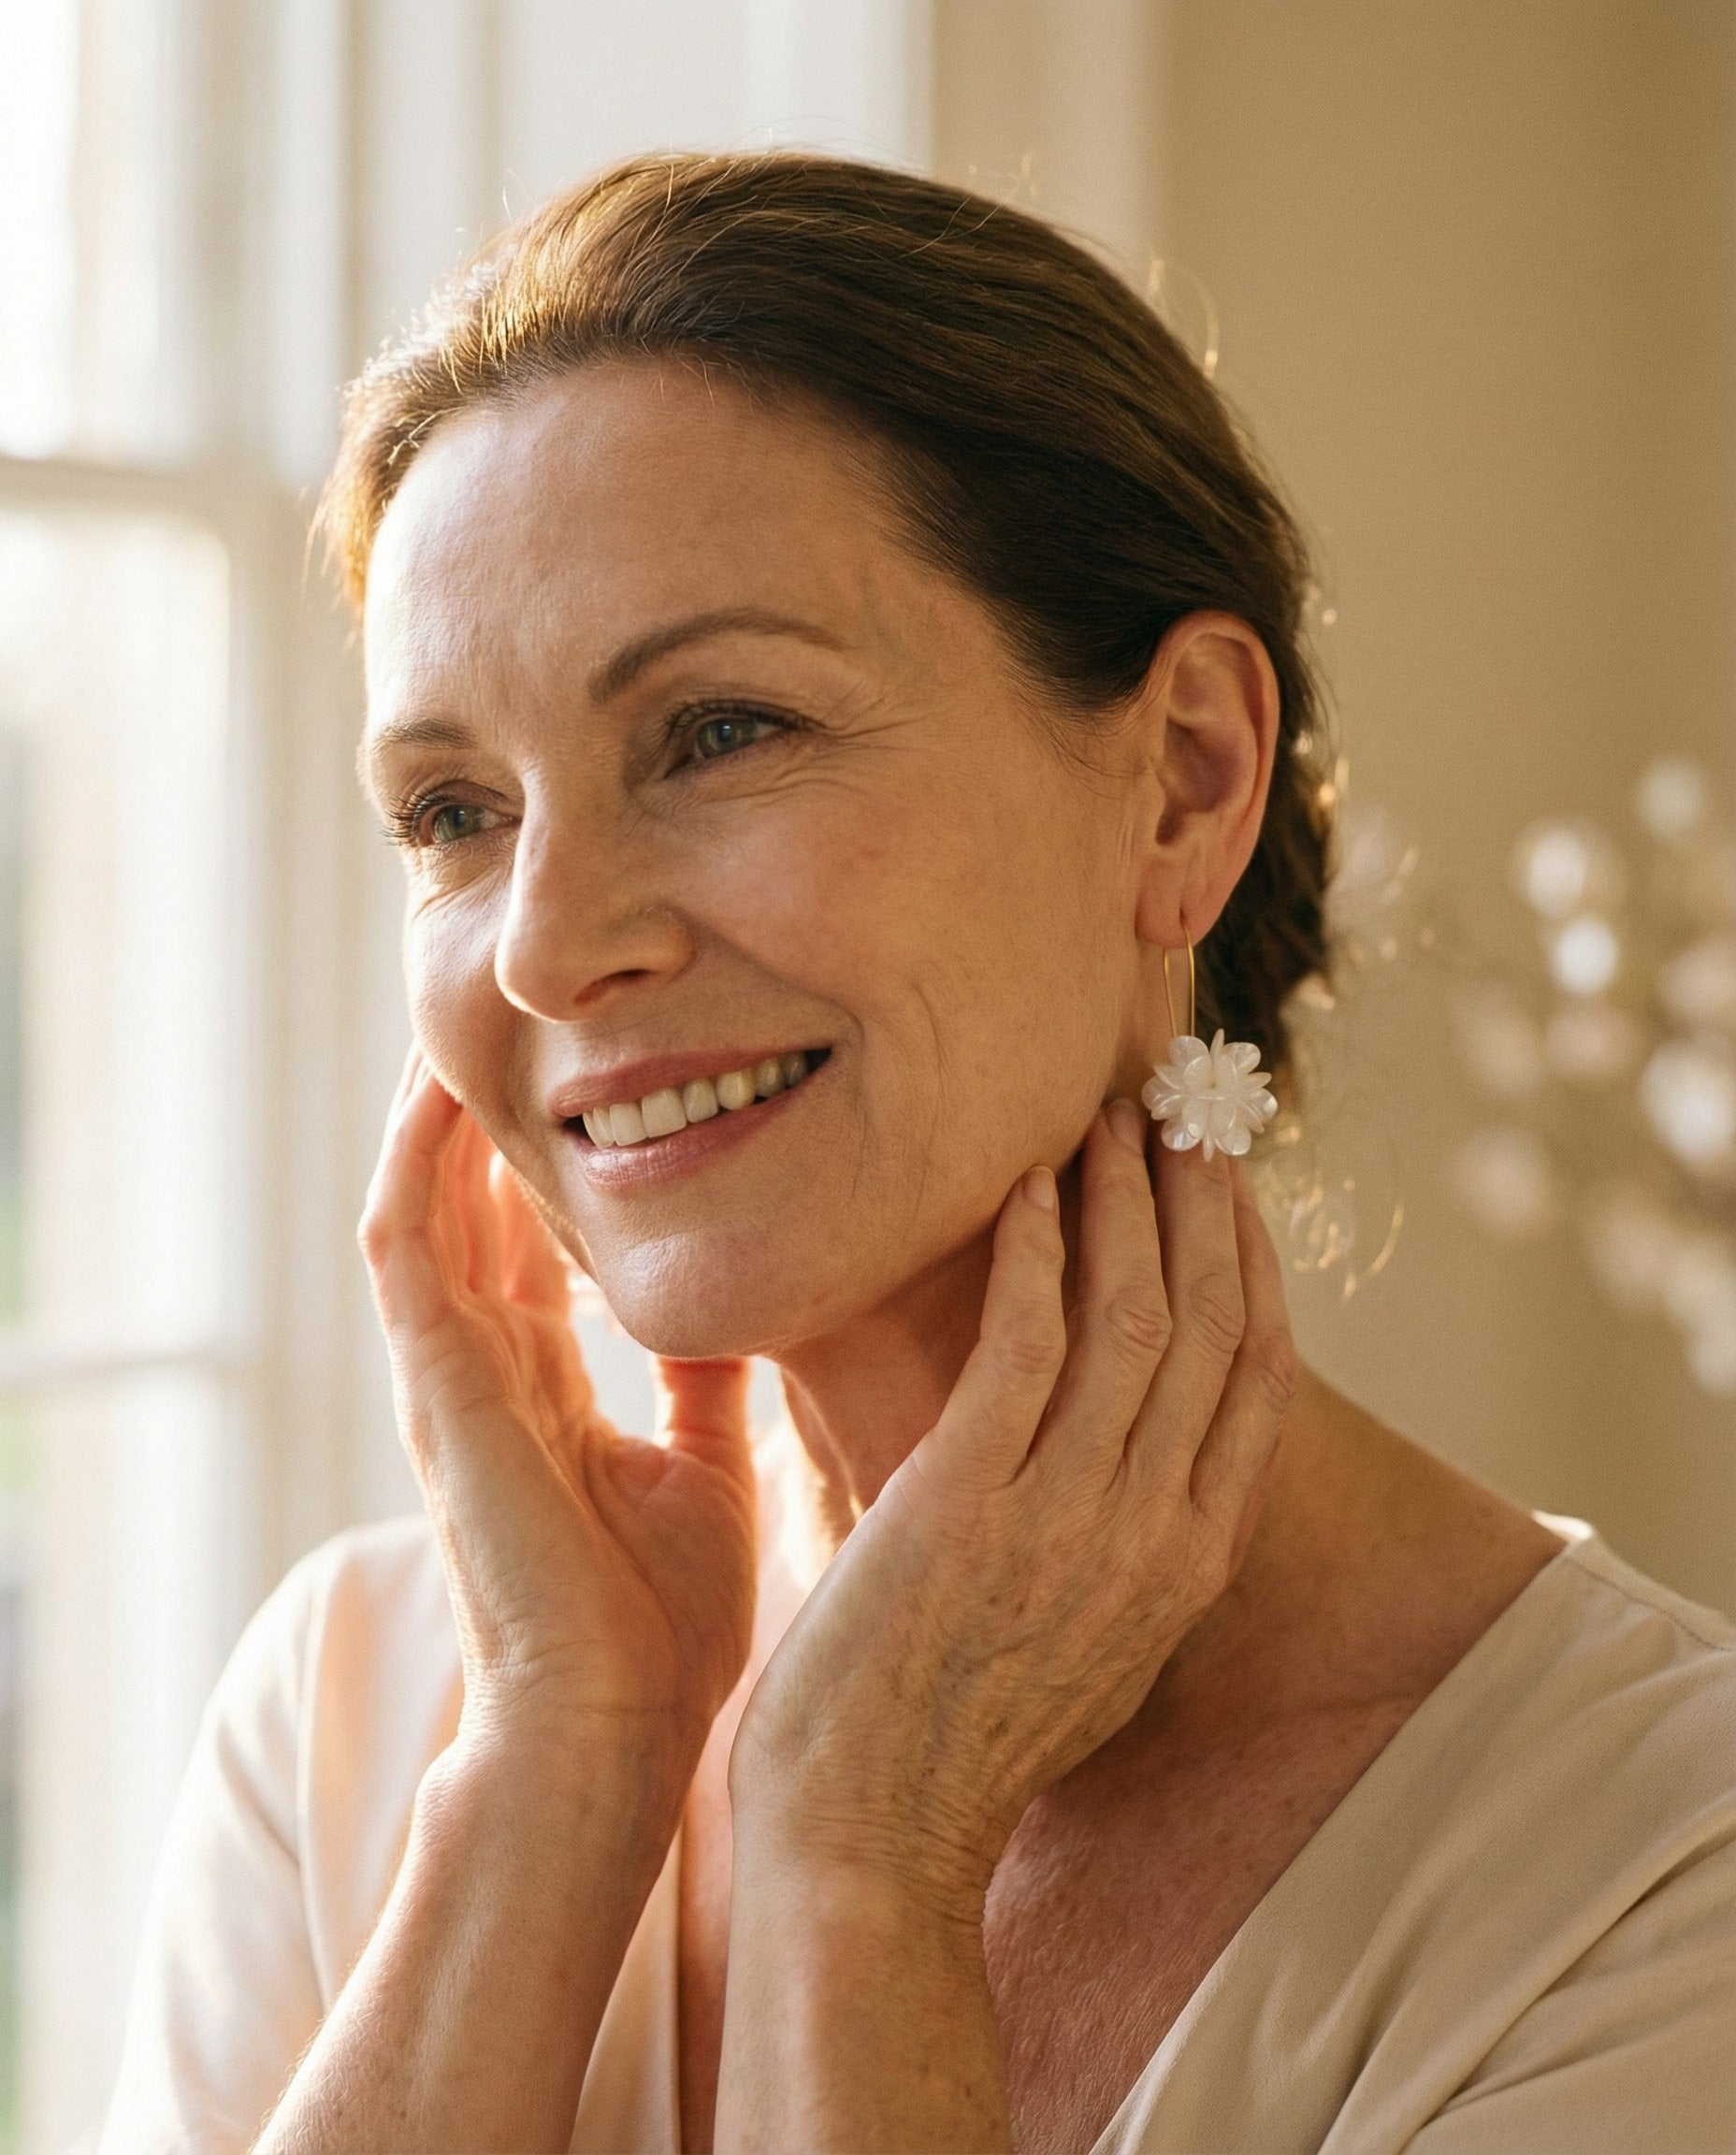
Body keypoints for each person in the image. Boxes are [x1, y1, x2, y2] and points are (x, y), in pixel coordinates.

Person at [96, 153, 1732, 2155]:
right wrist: (557, 1773)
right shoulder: (357, 1719)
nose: (542, 943)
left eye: (720, 730)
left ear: (1183, 782)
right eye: (454, 812)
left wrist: (865, 1850)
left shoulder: (1664, 1886)